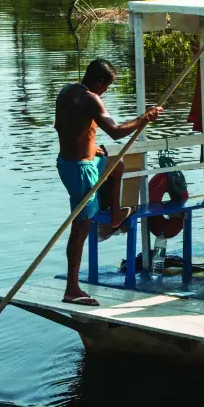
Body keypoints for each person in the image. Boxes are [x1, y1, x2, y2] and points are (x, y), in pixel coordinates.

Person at [55, 58, 163, 305]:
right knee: (80, 229)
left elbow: (61, 126)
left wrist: (92, 147)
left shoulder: (67, 91)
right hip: (80, 169)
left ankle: (115, 215)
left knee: (117, 165)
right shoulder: (91, 98)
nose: (106, 92)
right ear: (99, 82)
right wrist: (144, 118)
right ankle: (72, 289)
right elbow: (115, 131)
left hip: (74, 161)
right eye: (107, 87)